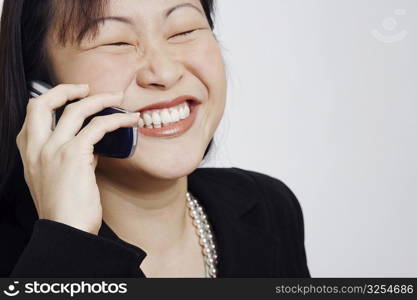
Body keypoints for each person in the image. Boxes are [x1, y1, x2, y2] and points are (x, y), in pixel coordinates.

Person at [0, 0, 310, 278]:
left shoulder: (269, 207)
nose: (164, 72)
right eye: (116, 41)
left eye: (183, 30)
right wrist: (67, 242)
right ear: (41, 89)